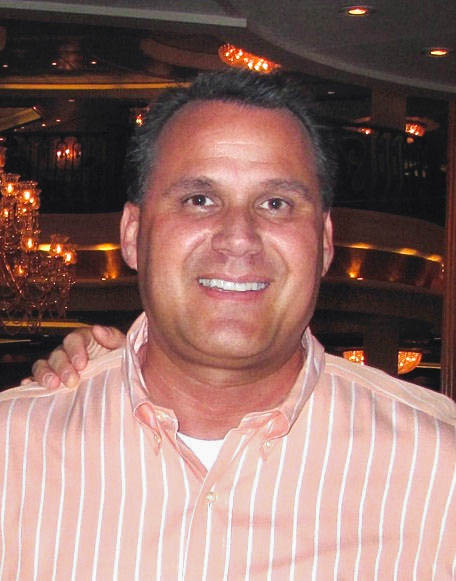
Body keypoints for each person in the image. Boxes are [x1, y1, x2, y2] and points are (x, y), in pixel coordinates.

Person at [2, 70, 456, 580]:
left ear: (325, 242)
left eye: (276, 204)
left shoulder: (440, 474)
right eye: (200, 199)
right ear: (132, 234)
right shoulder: (12, 453)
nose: (239, 237)